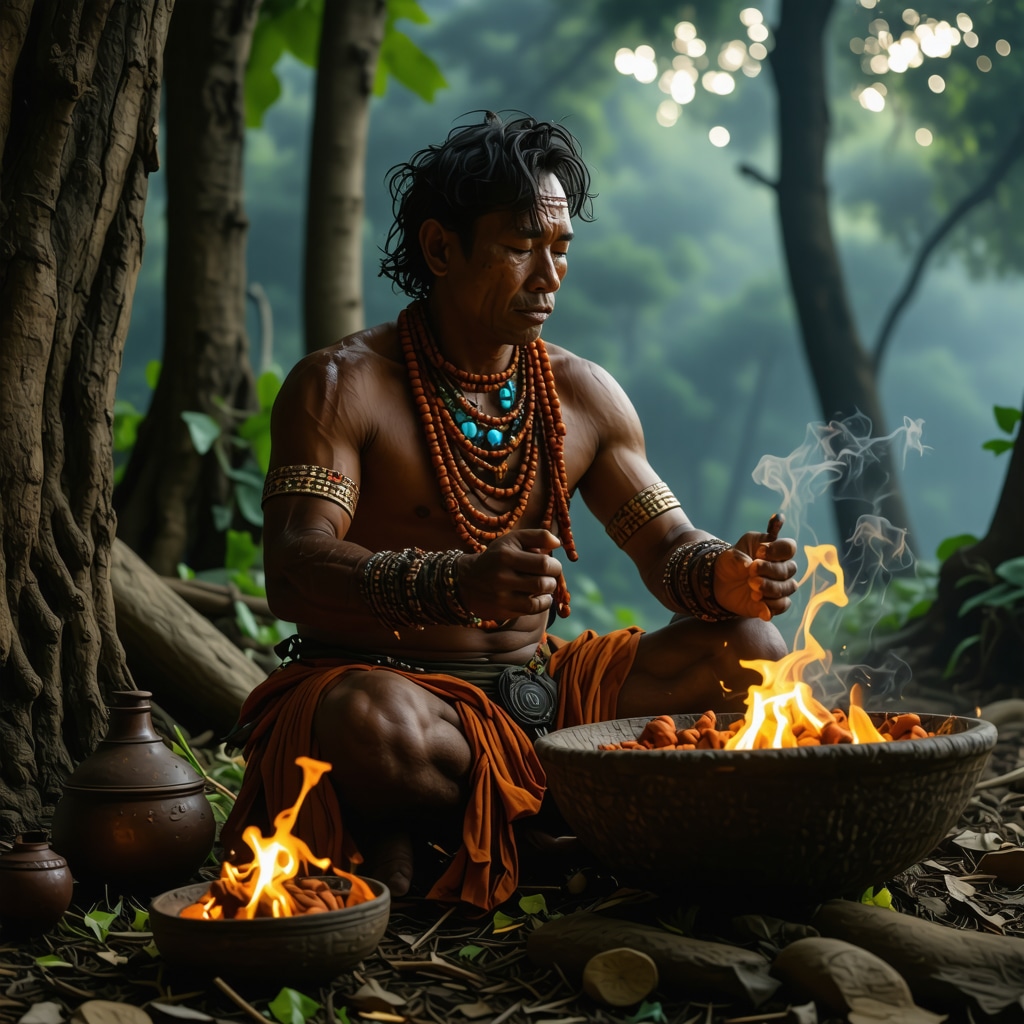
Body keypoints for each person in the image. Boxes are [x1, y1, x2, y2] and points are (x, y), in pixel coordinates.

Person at [221, 112, 798, 912]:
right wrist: (454, 585)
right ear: (440, 249)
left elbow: (666, 548)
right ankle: (553, 835)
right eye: (521, 246)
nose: (549, 275)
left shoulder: (581, 393)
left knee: (753, 649)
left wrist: (722, 576)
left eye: (560, 249)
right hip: (402, 704)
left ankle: (478, 835)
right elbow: (291, 567)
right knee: (366, 722)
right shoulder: (340, 385)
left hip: (537, 695)